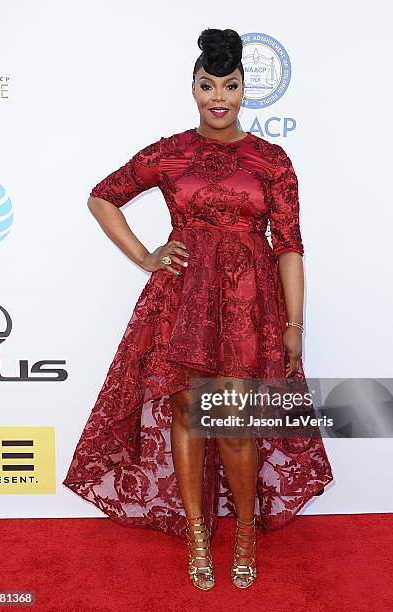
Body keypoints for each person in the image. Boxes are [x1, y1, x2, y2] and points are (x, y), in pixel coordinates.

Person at [62, 28, 333, 591]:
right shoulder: (171, 152)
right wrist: (145, 256)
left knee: (234, 423)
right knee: (188, 417)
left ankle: (246, 533)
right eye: (208, 85)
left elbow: (288, 245)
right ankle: (197, 533)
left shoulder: (271, 160)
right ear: (192, 87)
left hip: (248, 305)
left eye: (230, 86)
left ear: (243, 90)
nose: (219, 97)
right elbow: (101, 196)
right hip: (182, 302)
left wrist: (294, 323)